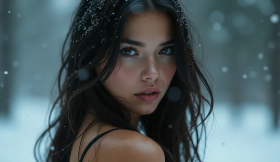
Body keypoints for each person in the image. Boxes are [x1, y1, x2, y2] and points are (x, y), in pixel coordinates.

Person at [34, 0, 214, 162]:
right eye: (129, 51)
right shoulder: (132, 151)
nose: (152, 73)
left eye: (165, 51)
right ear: (91, 55)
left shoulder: (87, 138)